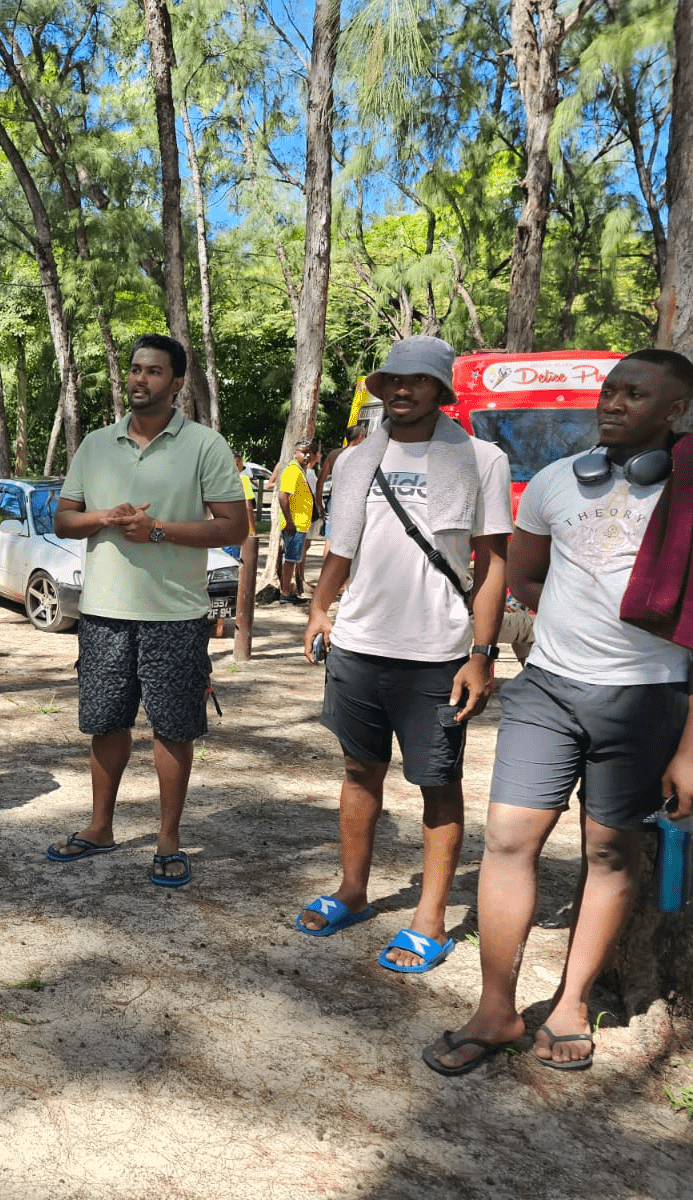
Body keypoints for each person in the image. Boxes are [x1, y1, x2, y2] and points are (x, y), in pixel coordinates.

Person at [424, 349, 693, 1075]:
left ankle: (572, 1004)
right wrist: (577, 625)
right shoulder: (551, 481)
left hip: (649, 699)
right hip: (546, 687)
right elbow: (526, 570)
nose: (611, 403)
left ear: (675, 412)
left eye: (634, 394)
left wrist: (690, 744)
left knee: (609, 852)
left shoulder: (688, 495)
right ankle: (497, 1007)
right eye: (609, 390)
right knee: (509, 838)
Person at [299, 335, 511, 974]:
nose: (400, 388)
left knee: (438, 784)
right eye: (391, 378)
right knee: (359, 772)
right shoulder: (358, 459)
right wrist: (319, 607)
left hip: (438, 654)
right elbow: (342, 547)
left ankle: (429, 918)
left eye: (417, 380)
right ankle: (354, 892)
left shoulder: (481, 459)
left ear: (442, 391)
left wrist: (482, 653)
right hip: (360, 645)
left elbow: (494, 561)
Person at [44, 334, 248, 885]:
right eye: (135, 369)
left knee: (173, 728)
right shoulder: (95, 444)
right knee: (105, 723)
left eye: (154, 372)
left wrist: (157, 529)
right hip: (104, 612)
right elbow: (63, 520)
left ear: (177, 382)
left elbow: (235, 526)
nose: (140, 380)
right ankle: (99, 827)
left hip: (176, 613)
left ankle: (168, 839)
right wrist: (105, 517)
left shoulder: (205, 446)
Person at [277, 440, 318, 603]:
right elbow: (283, 496)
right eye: (303, 452)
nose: (307, 456)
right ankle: (285, 593)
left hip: (300, 524)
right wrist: (289, 521)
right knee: (290, 559)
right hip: (294, 525)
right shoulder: (292, 471)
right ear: (295, 453)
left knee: (293, 559)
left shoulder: (301, 471)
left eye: (309, 452)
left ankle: (288, 591)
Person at [317, 424, 369, 538]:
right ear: (360, 436)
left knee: (329, 539)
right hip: (352, 502)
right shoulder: (363, 455)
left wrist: (319, 503)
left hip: (334, 499)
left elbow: (320, 481)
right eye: (365, 436)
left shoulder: (333, 455)